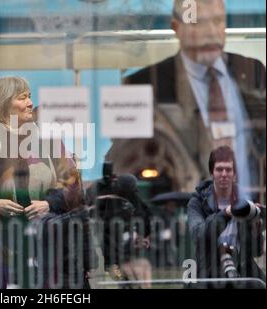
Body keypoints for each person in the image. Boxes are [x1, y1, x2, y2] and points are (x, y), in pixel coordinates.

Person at [110, 0, 265, 193]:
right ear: (176, 27)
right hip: (180, 216)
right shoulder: (143, 84)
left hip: (250, 217)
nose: (210, 32)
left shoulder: (253, 72)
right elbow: (124, 165)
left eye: (218, 21)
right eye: (198, 22)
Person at [0, 76, 83, 288]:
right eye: (22, 98)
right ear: (3, 102)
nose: (30, 103)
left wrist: (49, 203)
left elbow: (72, 180)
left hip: (47, 241)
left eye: (29, 97)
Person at [187, 146, 265, 288]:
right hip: (208, 271)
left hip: (242, 270)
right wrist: (227, 213)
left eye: (228, 169)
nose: (224, 174)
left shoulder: (246, 202)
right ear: (212, 172)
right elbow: (197, 235)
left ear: (234, 173)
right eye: (219, 169)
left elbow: (257, 251)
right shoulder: (197, 202)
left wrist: (256, 228)